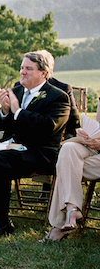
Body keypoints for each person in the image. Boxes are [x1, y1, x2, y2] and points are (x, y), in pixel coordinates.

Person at [0, 51, 71, 235]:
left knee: (1, 160)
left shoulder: (58, 96)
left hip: (40, 152)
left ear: (44, 73)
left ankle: (2, 221)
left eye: (28, 68)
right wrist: (4, 111)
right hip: (13, 146)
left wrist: (17, 110)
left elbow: (48, 127)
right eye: (22, 67)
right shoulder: (18, 90)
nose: (23, 72)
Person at [44, 101, 100, 241]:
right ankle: (72, 209)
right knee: (69, 149)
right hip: (96, 151)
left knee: (66, 166)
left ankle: (59, 226)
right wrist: (88, 136)